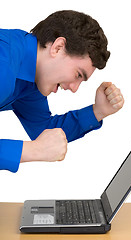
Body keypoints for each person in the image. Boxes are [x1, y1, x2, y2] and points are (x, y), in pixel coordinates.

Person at [0, 10, 124, 173]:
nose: (74, 88)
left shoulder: (31, 83)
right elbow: (40, 146)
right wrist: (32, 150)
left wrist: (98, 112)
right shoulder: (4, 61)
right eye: (78, 75)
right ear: (57, 48)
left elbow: (45, 131)